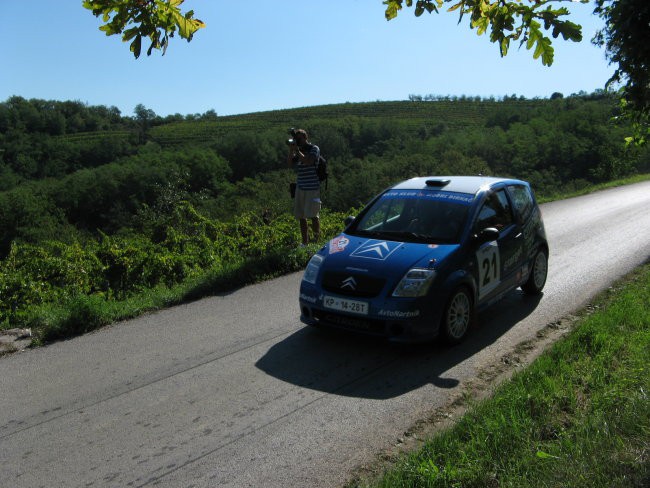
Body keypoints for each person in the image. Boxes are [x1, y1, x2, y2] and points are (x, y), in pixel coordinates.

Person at [287, 129, 321, 246]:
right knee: (301, 216)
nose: (299, 141)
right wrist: (292, 151)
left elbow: (308, 161)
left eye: (300, 138)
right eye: (297, 139)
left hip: (312, 188)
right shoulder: (298, 150)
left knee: (313, 216)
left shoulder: (314, 149)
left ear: (306, 138)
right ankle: (305, 243)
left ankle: (316, 241)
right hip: (300, 187)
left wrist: (297, 150)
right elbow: (290, 164)